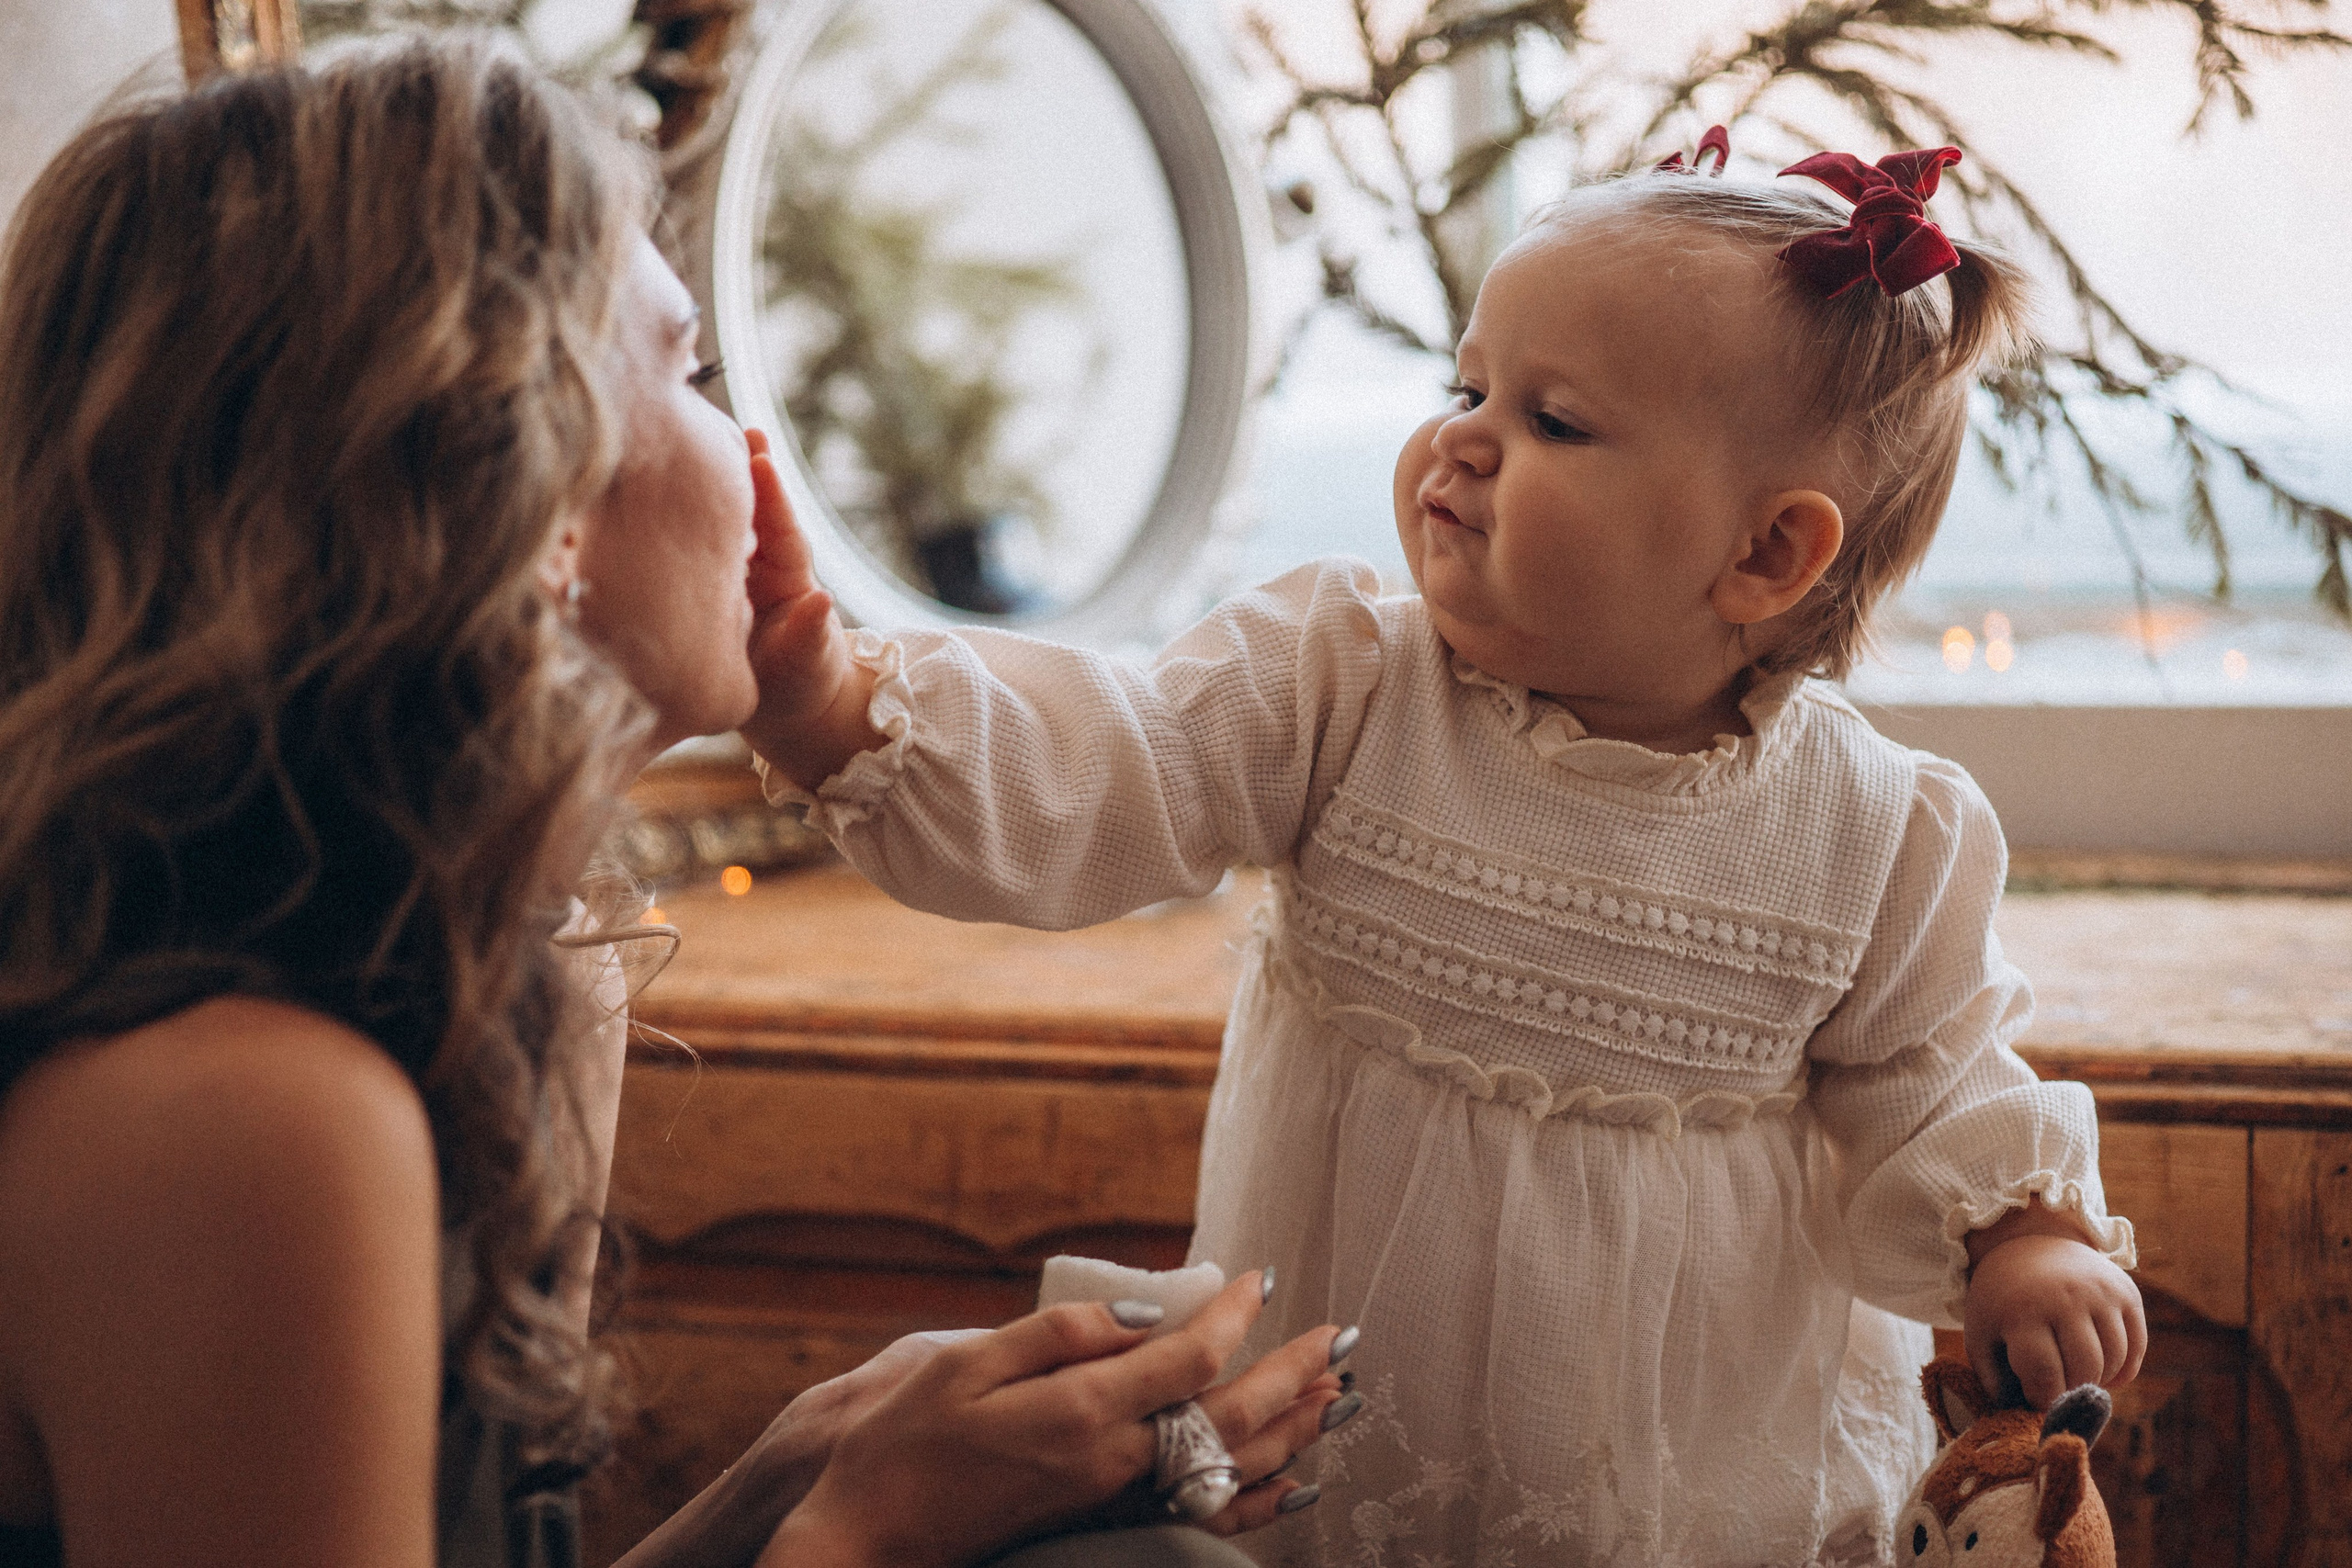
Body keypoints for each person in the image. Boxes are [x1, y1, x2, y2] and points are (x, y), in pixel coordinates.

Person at [0, 37, 1351, 1568]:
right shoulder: (240, 1120)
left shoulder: (518, 966)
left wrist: (808, 1457)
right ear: (528, 480)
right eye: (696, 373)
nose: (759, 458)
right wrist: (862, 1535)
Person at [741, 134, 2148, 1564]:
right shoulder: (1340, 686)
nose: (1462, 441)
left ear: (1768, 556)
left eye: (1556, 422)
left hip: (1693, 1471)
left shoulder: (1870, 829)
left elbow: (1932, 1074)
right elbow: (1113, 766)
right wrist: (848, 713)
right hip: (1356, 1432)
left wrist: (2023, 1235)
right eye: (1469, 386)